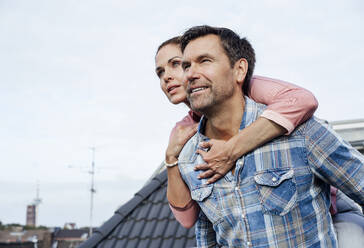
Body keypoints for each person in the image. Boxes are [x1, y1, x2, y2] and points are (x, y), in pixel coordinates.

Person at [175, 25, 364, 247]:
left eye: (204, 61)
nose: (190, 74)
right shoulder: (188, 158)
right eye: (186, 66)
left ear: (239, 70)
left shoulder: (300, 132)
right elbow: (209, 239)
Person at [155, 36, 319, 227]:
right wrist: (170, 158)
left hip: (328, 207)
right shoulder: (183, 131)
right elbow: (187, 219)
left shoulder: (248, 88)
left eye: (177, 64)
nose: (166, 76)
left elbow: (303, 100)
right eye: (159, 72)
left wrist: (230, 150)